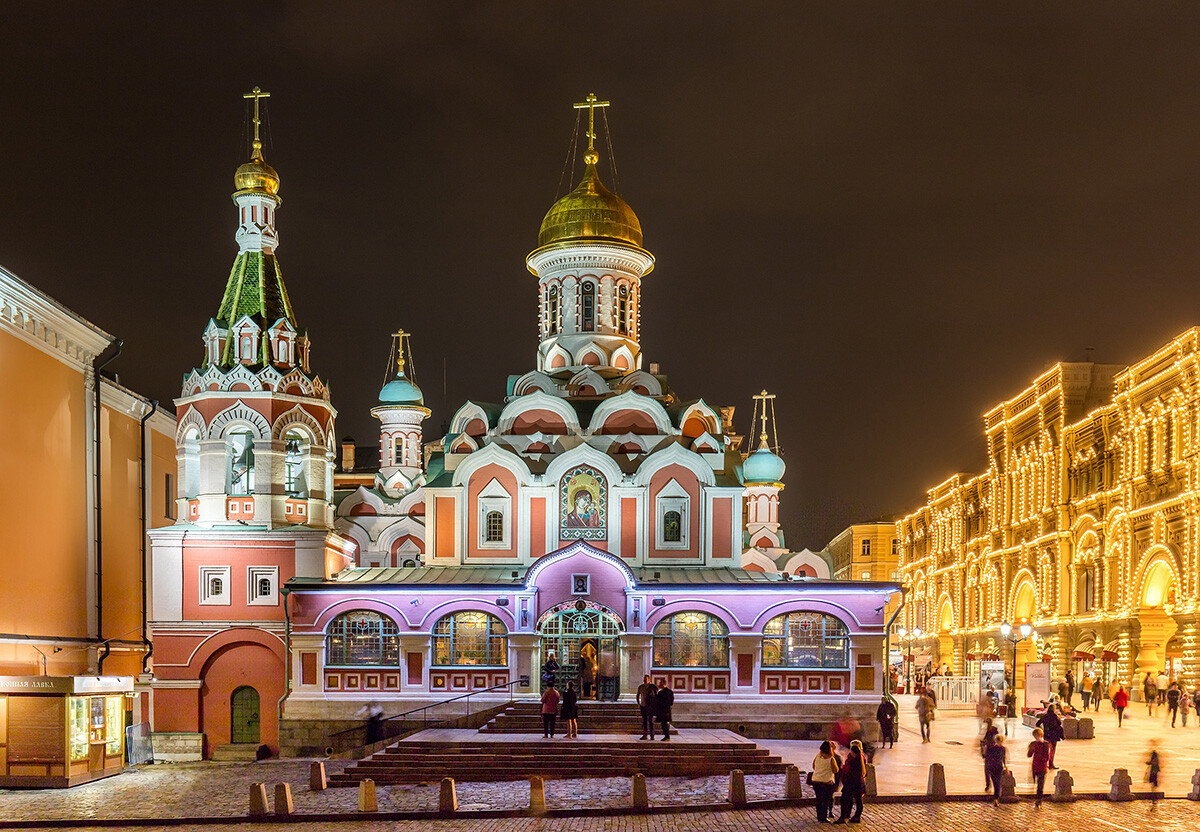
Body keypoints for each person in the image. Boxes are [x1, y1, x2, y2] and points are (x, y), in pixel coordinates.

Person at [835, 739, 867, 824]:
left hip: (851, 783)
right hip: (858, 783)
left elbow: (849, 771)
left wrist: (843, 769)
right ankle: (855, 816)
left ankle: (846, 816)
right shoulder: (859, 758)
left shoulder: (854, 760)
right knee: (857, 800)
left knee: (846, 799)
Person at [810, 740, 841, 824]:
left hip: (816, 780)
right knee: (825, 800)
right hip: (827, 782)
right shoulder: (831, 759)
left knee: (819, 799)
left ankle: (819, 816)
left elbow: (813, 766)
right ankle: (823, 818)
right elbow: (836, 770)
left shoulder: (817, 756)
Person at [1027, 727, 1051, 807]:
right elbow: (1029, 755)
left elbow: (1047, 757)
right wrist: (1031, 748)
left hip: (1042, 767)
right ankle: (1038, 799)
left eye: (1037, 735)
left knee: (1040, 785)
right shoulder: (1033, 744)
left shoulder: (1045, 744)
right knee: (1037, 783)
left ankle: (1039, 800)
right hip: (1035, 766)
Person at [1036, 703, 1063, 768]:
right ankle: (1051, 764)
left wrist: (1042, 729)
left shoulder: (1045, 716)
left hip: (1046, 735)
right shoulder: (1055, 717)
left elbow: (1038, 724)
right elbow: (1059, 724)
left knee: (1045, 749)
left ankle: (1044, 764)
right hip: (1054, 735)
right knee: (1052, 750)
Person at [983, 734, 1007, 806]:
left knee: (996, 782)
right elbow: (1003, 758)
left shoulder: (992, 748)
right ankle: (996, 798)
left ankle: (996, 798)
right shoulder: (1002, 748)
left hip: (995, 766)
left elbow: (986, 756)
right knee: (997, 782)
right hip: (997, 767)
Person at [636, 675, 658, 739]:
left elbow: (656, 696)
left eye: (646, 679)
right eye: (644, 679)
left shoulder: (653, 687)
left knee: (651, 721)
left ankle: (652, 735)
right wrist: (638, 703)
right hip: (643, 705)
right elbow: (638, 695)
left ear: (649, 679)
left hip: (650, 706)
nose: (645, 680)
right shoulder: (641, 687)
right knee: (644, 721)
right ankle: (645, 735)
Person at [1146, 739, 1161, 809]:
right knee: (1153, 781)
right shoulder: (1154, 754)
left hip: (1154, 769)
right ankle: (1153, 792)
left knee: (1153, 781)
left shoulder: (1154, 754)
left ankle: (1153, 793)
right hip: (1154, 769)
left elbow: (1155, 762)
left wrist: (1149, 763)